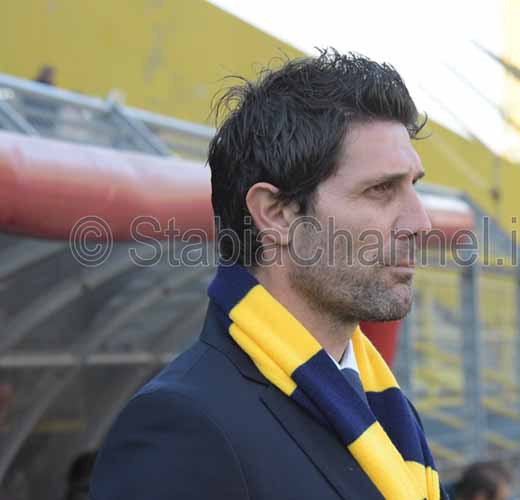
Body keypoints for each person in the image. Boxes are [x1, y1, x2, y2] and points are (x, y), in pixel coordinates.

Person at [90, 49, 447, 500]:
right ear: (276, 214)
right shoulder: (185, 427)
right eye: (381, 189)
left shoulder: (388, 409)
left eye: (413, 186)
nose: (421, 223)